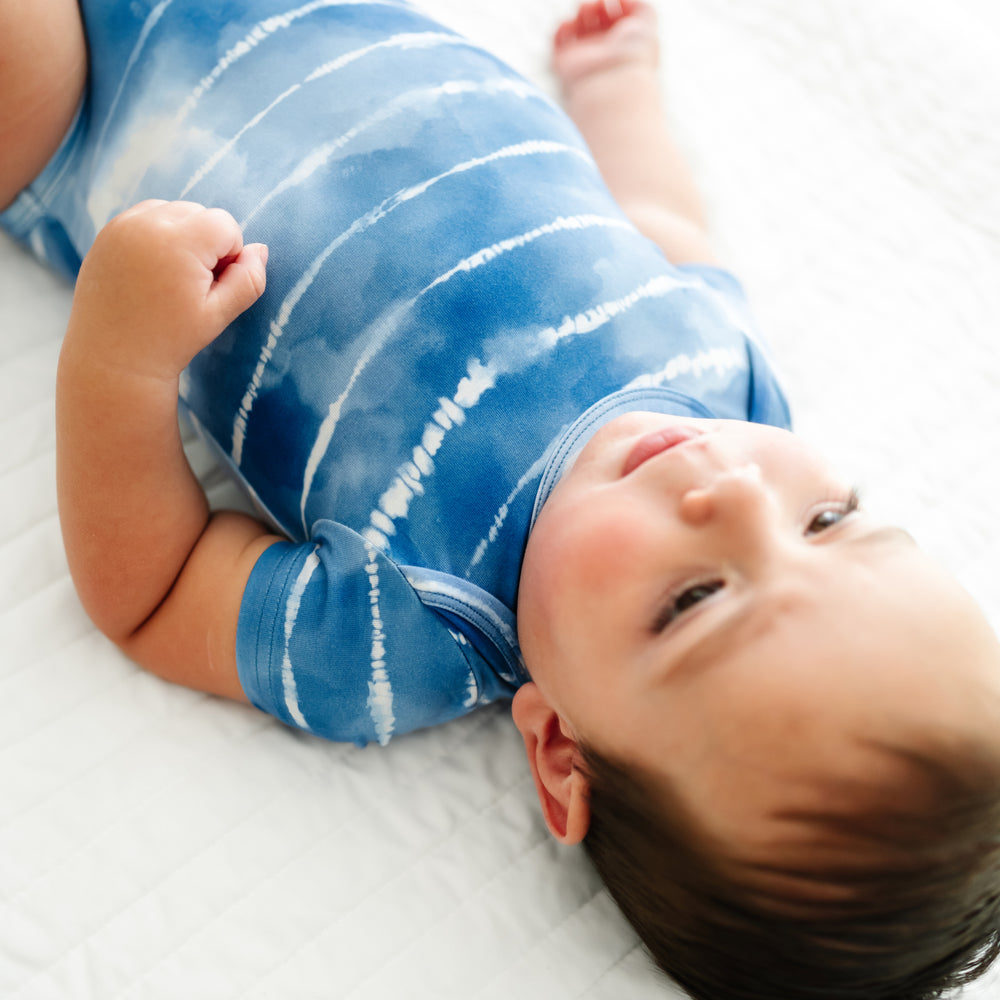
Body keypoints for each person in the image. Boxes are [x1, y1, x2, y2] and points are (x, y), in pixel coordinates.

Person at [4, 0, 1000, 996]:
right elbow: (659, 224)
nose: (732, 489)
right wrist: (617, 87)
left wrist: (121, 355)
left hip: (87, 108)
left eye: (693, 600)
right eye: (831, 520)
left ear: (562, 749)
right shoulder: (733, 387)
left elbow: (154, 591)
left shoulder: (403, 629)